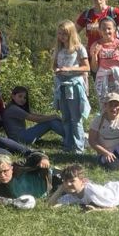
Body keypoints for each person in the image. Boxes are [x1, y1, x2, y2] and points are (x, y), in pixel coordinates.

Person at [53, 20, 91, 154]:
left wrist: (69, 69)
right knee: (65, 117)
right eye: (59, 34)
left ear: (71, 34)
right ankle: (68, 144)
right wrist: (57, 70)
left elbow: (86, 67)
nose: (61, 37)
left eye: (64, 34)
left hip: (74, 85)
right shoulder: (59, 49)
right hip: (61, 85)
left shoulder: (79, 49)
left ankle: (79, 147)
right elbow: (54, 65)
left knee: (76, 117)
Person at [91, 16, 119, 106]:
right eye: (103, 29)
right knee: (105, 108)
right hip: (103, 82)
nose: (106, 31)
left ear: (114, 29)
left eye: (109, 28)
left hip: (118, 80)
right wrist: (95, 55)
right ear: (99, 30)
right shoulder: (96, 45)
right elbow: (94, 69)